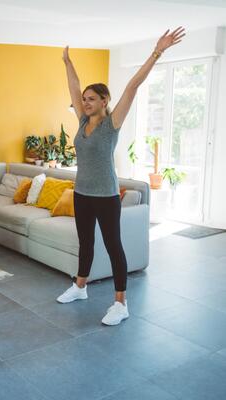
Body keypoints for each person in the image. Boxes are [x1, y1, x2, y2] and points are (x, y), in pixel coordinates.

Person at [56, 27, 185, 325]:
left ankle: (120, 303)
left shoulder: (111, 123)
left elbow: (133, 86)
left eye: (91, 99)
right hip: (82, 193)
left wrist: (158, 51)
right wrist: (67, 63)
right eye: (83, 99)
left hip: (106, 196)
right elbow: (73, 87)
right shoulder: (81, 121)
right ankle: (80, 287)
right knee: (85, 243)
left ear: (104, 101)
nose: (84, 102)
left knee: (114, 245)